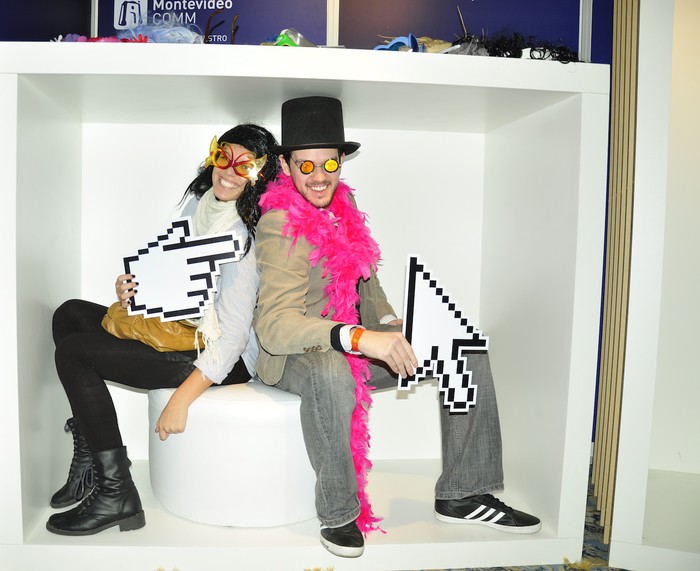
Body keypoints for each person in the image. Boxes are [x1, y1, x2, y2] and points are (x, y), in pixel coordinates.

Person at [253, 96, 540, 558]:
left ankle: (463, 493)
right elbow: (274, 324)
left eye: (329, 163)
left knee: (462, 349)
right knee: (332, 370)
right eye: (306, 166)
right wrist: (358, 337)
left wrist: (390, 324)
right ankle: (338, 513)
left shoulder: (344, 208)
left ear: (341, 160)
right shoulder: (279, 222)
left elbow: (365, 281)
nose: (319, 176)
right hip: (296, 355)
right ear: (286, 167)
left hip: (352, 341)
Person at [46, 123, 280, 536]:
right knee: (70, 314)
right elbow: (175, 283)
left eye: (244, 166)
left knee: (74, 352)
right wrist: (133, 292)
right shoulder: (199, 208)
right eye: (223, 156)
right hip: (180, 329)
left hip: (220, 356)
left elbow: (232, 339)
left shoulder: (241, 240)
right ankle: (90, 453)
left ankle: (116, 493)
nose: (228, 171)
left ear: (259, 177)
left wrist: (181, 400)